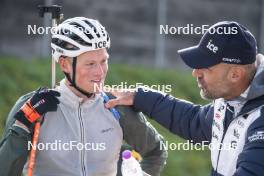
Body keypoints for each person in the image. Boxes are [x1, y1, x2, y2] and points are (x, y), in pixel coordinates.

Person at [0, 17, 167, 176]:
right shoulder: (32, 107)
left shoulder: (116, 106)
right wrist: (22, 125)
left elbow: (155, 151)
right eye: (90, 64)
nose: (100, 72)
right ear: (64, 64)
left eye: (103, 61)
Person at [105, 21, 264, 176]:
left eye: (206, 67)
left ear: (235, 75)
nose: (195, 73)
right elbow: (195, 122)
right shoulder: (233, 97)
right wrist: (140, 96)